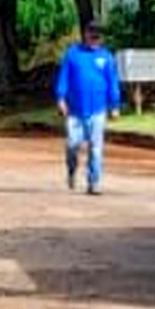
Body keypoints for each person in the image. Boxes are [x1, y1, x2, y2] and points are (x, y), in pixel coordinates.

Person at [53, 22, 123, 194]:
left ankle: (94, 183)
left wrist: (114, 105)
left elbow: (112, 82)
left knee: (95, 148)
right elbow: (64, 79)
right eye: (92, 34)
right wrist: (61, 99)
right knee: (72, 145)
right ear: (85, 34)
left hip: (98, 110)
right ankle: (71, 170)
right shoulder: (73, 54)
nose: (95, 38)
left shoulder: (106, 57)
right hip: (75, 112)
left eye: (98, 35)